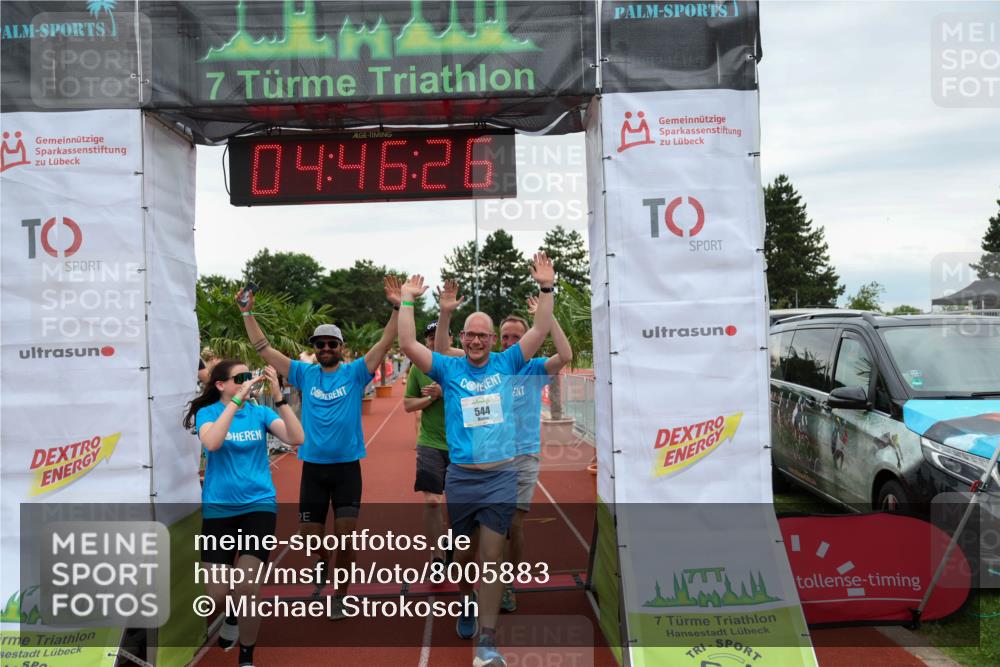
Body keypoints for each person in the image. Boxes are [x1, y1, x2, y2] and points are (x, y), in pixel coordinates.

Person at [398, 253, 555, 667]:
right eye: (470, 335)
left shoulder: (508, 361)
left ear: (491, 339)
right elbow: (408, 345)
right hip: (462, 479)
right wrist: (410, 301)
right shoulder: (449, 369)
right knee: (465, 556)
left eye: (483, 335)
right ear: (463, 337)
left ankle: (487, 642)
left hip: (501, 476)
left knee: (492, 557)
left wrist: (546, 287)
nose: (477, 341)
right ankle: (466, 600)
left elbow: (540, 328)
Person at [237, 277, 401, 619]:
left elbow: (385, 342)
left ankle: (340, 594)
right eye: (320, 343)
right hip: (312, 469)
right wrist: (247, 313)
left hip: (346, 470)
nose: (325, 347)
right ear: (314, 348)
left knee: (346, 537)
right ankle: (324, 562)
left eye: (331, 343)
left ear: (340, 347)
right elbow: (264, 349)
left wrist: (398, 308)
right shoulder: (304, 373)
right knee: (311, 538)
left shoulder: (356, 373)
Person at [435, 288, 573, 614]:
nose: (512, 342)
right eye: (506, 337)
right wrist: (445, 314)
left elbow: (565, 355)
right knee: (477, 536)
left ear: (526, 339)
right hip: (485, 457)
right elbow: (442, 351)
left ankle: (507, 584)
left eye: (517, 337)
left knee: (513, 526)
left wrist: (547, 316)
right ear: (498, 339)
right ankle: (477, 587)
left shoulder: (533, 367)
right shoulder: (491, 364)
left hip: (522, 454)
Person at [183, 361, 304, 667]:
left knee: (247, 585)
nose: (248, 381)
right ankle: (232, 614)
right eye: (240, 378)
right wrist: (236, 402)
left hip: (258, 506)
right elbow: (212, 442)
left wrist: (278, 397)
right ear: (221, 385)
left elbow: (296, 438)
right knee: (217, 594)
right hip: (219, 509)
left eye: (250, 376)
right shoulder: (208, 413)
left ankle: (246, 656)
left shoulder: (259, 413)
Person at [403, 321, 452, 565]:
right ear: (425, 342)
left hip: (460, 445)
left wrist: (444, 392)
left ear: (451, 340)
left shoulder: (462, 365)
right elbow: (408, 404)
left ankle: (453, 543)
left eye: (439, 336)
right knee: (432, 501)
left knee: (458, 505)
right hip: (430, 443)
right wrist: (430, 400)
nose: (434, 341)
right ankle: (437, 556)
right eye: (430, 337)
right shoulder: (418, 368)